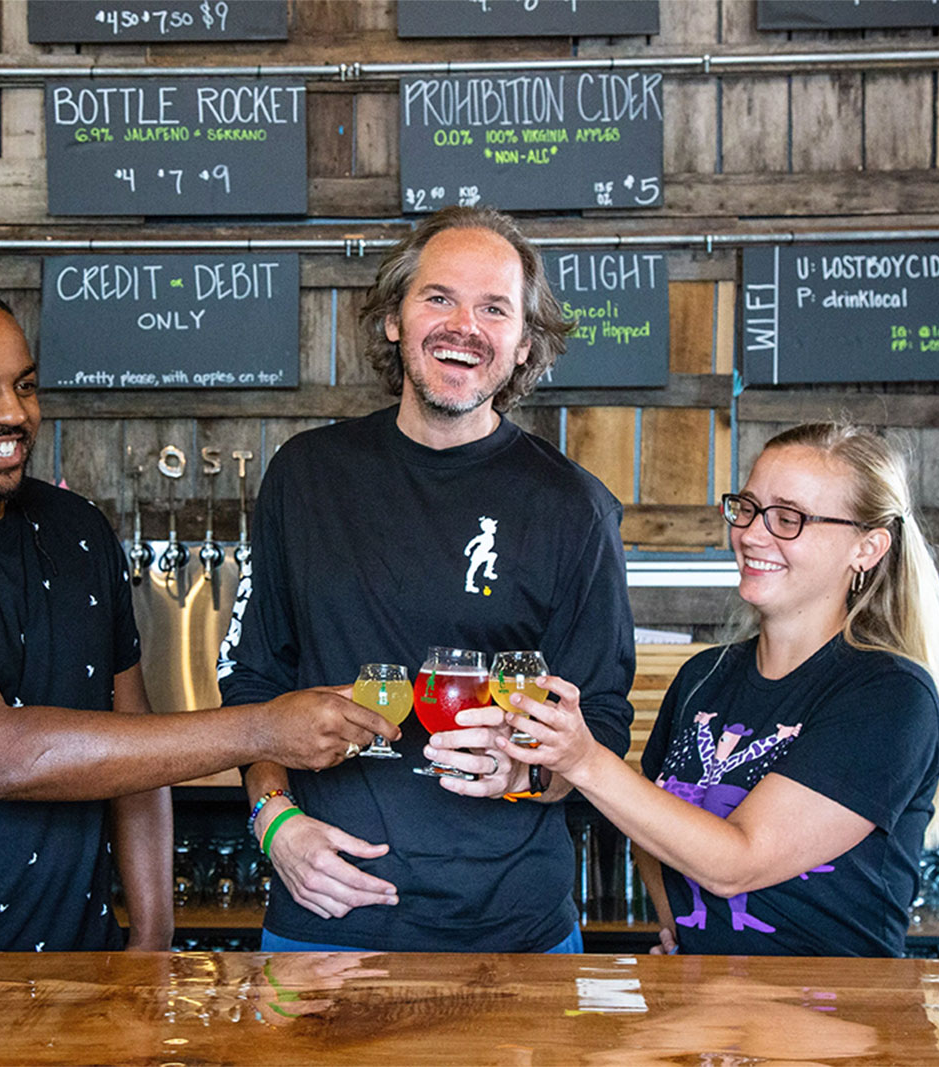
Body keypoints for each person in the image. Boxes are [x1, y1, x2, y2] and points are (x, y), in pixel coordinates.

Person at [0, 275, 391, 953]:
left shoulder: (74, 531)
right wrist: (259, 729)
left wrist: (153, 940)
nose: (11, 412)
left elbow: (132, 750)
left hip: (77, 974)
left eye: (24, 385)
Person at [218, 206, 636, 953]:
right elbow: (255, 682)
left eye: (493, 308)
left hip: (516, 932)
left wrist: (528, 772)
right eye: (439, 297)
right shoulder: (305, 476)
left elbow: (600, 721)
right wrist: (274, 821)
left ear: (524, 346)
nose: (462, 325)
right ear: (394, 320)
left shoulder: (575, 508)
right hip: (326, 916)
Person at [466, 423, 939, 956]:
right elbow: (649, 825)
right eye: (747, 507)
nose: (751, 534)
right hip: (711, 1016)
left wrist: (584, 761)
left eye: (788, 518)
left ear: (867, 547)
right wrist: (684, 927)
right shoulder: (704, 677)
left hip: (835, 1019)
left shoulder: (889, 696)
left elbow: (738, 862)